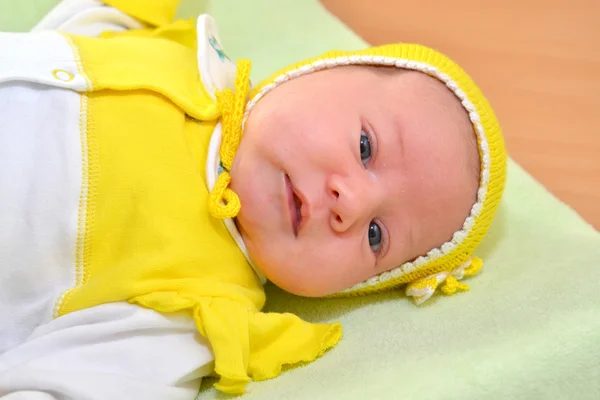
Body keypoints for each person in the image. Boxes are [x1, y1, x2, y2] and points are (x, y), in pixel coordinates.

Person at [0, 0, 507, 398]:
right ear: (307, 75)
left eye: (377, 235)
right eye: (365, 147)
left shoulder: (195, 303)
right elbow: (101, 17)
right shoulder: (181, 59)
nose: (348, 202)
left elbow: (92, 382)